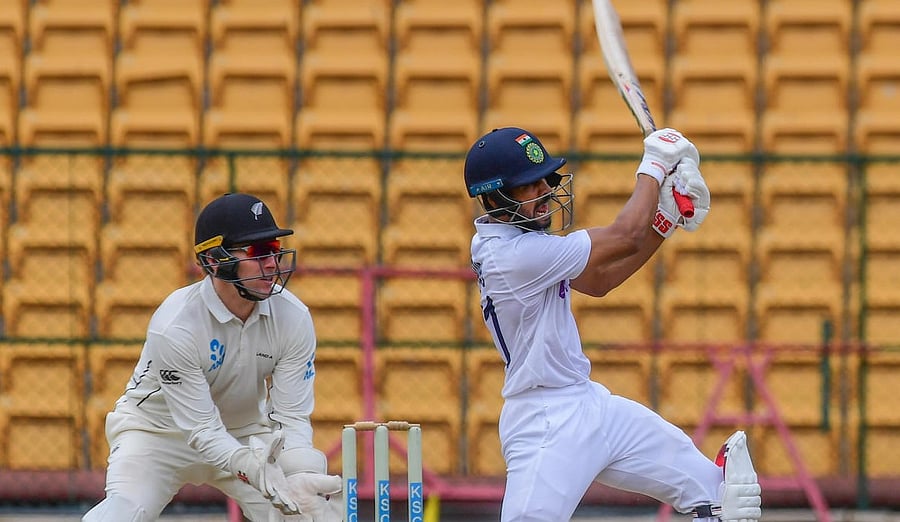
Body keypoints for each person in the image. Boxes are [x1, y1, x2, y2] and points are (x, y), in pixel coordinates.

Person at [464, 127, 762, 521]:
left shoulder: (526, 247)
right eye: (526, 186)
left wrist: (664, 219)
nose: (543, 193)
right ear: (494, 195)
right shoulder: (513, 255)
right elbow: (624, 235)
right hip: (545, 423)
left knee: (722, 495)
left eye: (542, 182)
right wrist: (654, 166)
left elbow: (599, 281)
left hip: (590, 403)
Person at [83, 193, 342, 522]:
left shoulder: (293, 317)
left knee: (307, 510)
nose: (271, 264)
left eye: (274, 250)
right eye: (257, 252)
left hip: (245, 434)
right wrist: (248, 466)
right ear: (213, 260)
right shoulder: (175, 326)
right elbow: (200, 430)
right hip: (158, 434)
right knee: (121, 516)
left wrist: (300, 471)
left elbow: (292, 418)